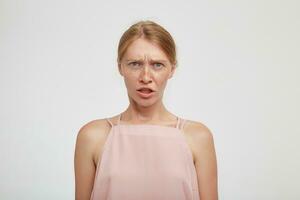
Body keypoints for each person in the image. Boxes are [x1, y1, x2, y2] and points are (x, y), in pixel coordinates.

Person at [74, 20, 218, 200]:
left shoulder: (197, 137)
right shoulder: (93, 136)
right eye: (135, 64)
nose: (145, 77)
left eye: (157, 64)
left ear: (172, 69)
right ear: (120, 67)